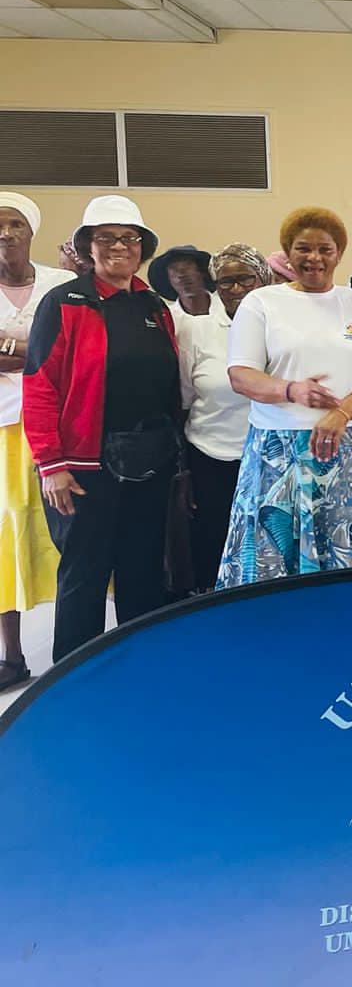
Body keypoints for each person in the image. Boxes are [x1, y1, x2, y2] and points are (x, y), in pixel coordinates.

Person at [220, 207, 352, 586]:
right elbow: (241, 375)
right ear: (288, 252)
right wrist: (290, 389)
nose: (314, 258)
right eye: (303, 248)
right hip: (280, 453)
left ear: (339, 254)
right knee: (276, 559)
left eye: (325, 249)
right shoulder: (262, 303)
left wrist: (342, 413)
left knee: (351, 557)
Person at [26, 196, 182, 660]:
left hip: (150, 460)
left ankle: (138, 665)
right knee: (85, 573)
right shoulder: (64, 302)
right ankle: (76, 674)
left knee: (143, 568)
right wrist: (51, 464)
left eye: (129, 237)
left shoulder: (155, 306)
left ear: (142, 246)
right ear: (87, 246)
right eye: (106, 237)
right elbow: (40, 385)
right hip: (83, 466)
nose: (119, 246)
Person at [0, 193, 75, 688]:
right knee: (6, 536)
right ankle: (12, 655)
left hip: (60, 426)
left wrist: (8, 347)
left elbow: (69, 351)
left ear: (31, 232)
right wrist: (36, 351)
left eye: (15, 224)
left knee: (71, 534)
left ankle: (80, 645)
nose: (5, 233)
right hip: (4, 430)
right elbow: (48, 353)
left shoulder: (59, 285)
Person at [176, 243, 268, 597]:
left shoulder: (282, 328)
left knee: (264, 546)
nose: (236, 289)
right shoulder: (197, 331)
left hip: (268, 458)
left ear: (263, 279)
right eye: (226, 282)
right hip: (210, 456)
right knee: (213, 547)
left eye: (246, 279)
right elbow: (183, 398)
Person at [149, 244, 222, 319]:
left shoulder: (226, 307)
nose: (181, 274)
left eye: (188, 265)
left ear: (202, 271)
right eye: (174, 268)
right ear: (168, 279)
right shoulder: (167, 319)